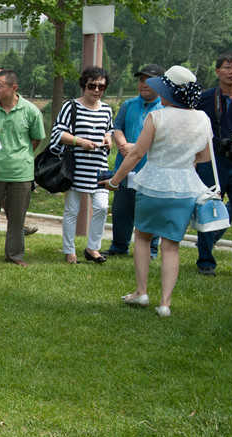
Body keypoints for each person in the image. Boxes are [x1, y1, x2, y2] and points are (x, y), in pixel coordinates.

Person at [101, 66, 212, 317]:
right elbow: (203, 156)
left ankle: (141, 292)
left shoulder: (158, 117)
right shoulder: (202, 118)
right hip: (185, 187)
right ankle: (165, 303)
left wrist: (116, 181)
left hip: (153, 183)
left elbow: (137, 153)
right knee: (171, 245)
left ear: (170, 93)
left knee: (142, 237)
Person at [195, 51, 232, 278]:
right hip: (213, 161)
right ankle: (205, 261)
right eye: (227, 67)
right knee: (207, 209)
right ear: (217, 71)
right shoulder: (205, 98)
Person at [0, 69, 45, 267]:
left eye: (0, 86)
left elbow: (36, 139)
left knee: (17, 218)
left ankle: (15, 255)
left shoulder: (31, 110)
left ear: (13, 87)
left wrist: (21, 156)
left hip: (21, 173)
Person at [50, 66, 114, 264]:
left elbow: (109, 129)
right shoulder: (71, 106)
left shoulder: (107, 109)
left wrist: (108, 138)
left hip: (100, 166)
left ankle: (93, 248)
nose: (96, 90)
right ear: (83, 86)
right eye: (92, 86)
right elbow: (58, 133)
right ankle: (69, 251)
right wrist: (80, 142)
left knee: (102, 207)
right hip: (76, 167)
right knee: (72, 210)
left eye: (101, 87)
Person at [106, 64, 164, 258]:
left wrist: (136, 147)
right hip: (126, 168)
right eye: (141, 80)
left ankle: (151, 249)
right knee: (122, 209)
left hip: (151, 168)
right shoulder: (129, 104)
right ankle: (119, 246)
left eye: (149, 80)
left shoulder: (165, 108)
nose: (144, 84)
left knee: (151, 210)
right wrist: (122, 144)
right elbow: (118, 127)